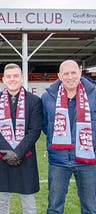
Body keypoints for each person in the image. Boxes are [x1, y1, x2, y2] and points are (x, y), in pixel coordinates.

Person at [42, 60, 96, 214]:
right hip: (58, 161)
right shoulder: (47, 97)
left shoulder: (94, 94)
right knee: (54, 208)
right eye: (66, 73)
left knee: (90, 208)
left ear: (80, 73)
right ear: (59, 75)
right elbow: (46, 125)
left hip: (88, 160)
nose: (70, 77)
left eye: (73, 72)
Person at [0, 63, 42, 214]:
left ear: (22, 78)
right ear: (3, 79)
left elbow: (35, 130)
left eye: (16, 76)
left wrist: (17, 153)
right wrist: (8, 153)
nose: (13, 79)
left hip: (26, 157)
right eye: (9, 77)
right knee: (2, 200)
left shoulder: (34, 101)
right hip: (3, 157)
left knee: (28, 203)